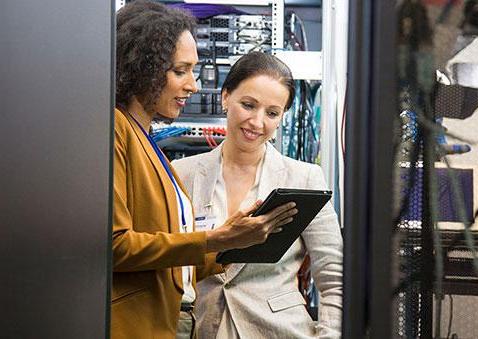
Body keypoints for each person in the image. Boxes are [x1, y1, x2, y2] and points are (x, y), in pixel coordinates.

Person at [112, 2, 297, 338]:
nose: (193, 86)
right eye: (181, 71)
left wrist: (232, 244)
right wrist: (216, 238)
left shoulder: (147, 143)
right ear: (144, 68)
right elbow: (114, 246)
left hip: (171, 323)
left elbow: (173, 268)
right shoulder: (116, 129)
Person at [173, 51, 343, 339]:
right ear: (226, 97)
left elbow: (334, 275)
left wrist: (329, 335)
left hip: (279, 330)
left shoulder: (304, 178)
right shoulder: (182, 173)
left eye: (272, 113)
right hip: (203, 328)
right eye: (248, 105)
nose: (257, 122)